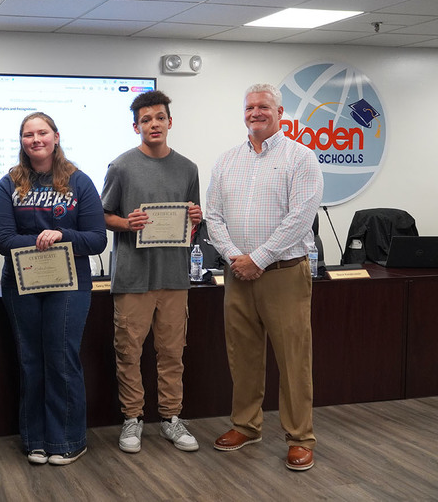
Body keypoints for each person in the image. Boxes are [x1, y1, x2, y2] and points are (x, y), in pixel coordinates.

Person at [205, 83, 324, 471]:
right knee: (243, 356)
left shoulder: (301, 158)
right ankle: (246, 425)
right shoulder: (227, 160)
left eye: (263, 107)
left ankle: (300, 438)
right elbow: (214, 216)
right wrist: (234, 257)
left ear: (280, 111)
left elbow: (300, 218)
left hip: (282, 273)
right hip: (237, 274)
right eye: (250, 107)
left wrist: (259, 257)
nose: (255, 112)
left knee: (293, 359)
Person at [0, 112, 107, 466]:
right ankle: (36, 439)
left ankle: (69, 439)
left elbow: (97, 239)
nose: (35, 139)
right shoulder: (8, 183)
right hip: (23, 283)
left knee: (61, 357)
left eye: (42, 133)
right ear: (22, 141)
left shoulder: (79, 181)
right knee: (30, 359)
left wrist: (62, 235)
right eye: (28, 135)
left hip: (68, 285)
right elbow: (3, 240)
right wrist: (38, 242)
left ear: (56, 137)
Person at [101, 90, 202, 455]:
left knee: (172, 352)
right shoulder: (121, 166)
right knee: (129, 351)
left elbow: (193, 222)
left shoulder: (188, 168)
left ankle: (171, 419)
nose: (154, 124)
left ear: (170, 122)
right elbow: (102, 215)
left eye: (159, 117)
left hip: (174, 276)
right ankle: (132, 419)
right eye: (146, 120)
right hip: (133, 277)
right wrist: (127, 223)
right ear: (136, 126)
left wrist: (196, 219)